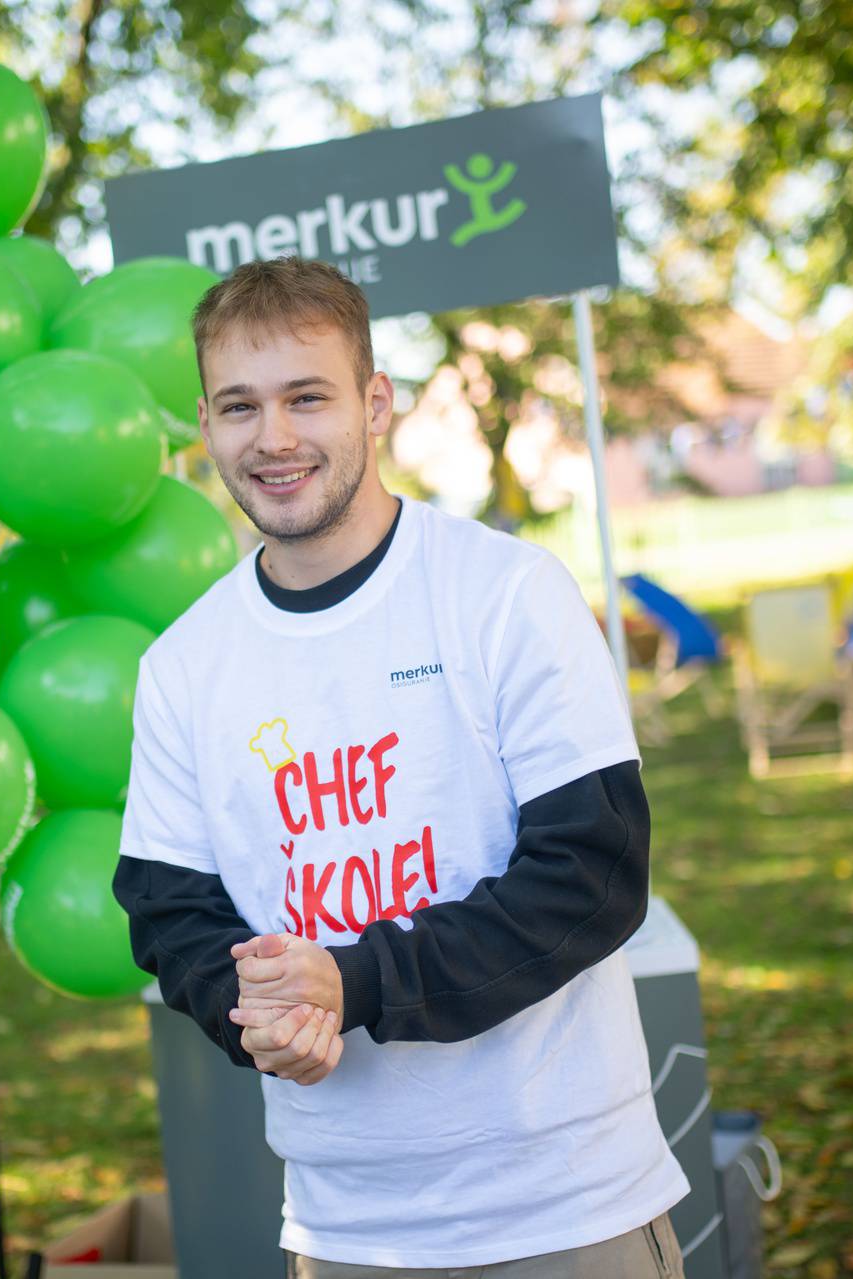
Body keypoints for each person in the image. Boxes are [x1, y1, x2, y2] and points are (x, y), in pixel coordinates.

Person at [113, 257, 688, 1277]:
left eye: (307, 396)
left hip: (568, 1206)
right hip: (346, 1230)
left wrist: (357, 980)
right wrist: (258, 1016)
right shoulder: (183, 667)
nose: (275, 438)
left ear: (374, 402)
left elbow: (593, 875)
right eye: (241, 405)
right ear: (205, 421)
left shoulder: (505, 593)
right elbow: (171, 914)